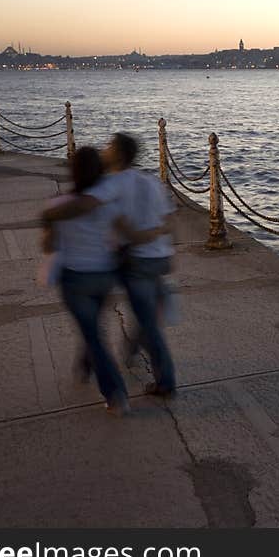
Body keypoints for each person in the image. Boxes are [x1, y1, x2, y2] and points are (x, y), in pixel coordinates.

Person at [42, 134, 177, 400]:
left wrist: (48, 215)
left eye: (108, 146)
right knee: (143, 315)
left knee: (141, 322)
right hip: (159, 257)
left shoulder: (110, 184)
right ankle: (114, 354)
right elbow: (171, 220)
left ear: (118, 154)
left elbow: (85, 205)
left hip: (133, 260)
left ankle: (165, 382)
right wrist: (160, 238)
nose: (104, 149)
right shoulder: (151, 181)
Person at [43, 146, 131, 416]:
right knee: (92, 329)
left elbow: (48, 246)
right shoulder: (109, 203)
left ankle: (115, 394)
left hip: (75, 278)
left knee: (93, 335)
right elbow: (122, 235)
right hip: (104, 275)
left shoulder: (58, 206)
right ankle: (85, 365)